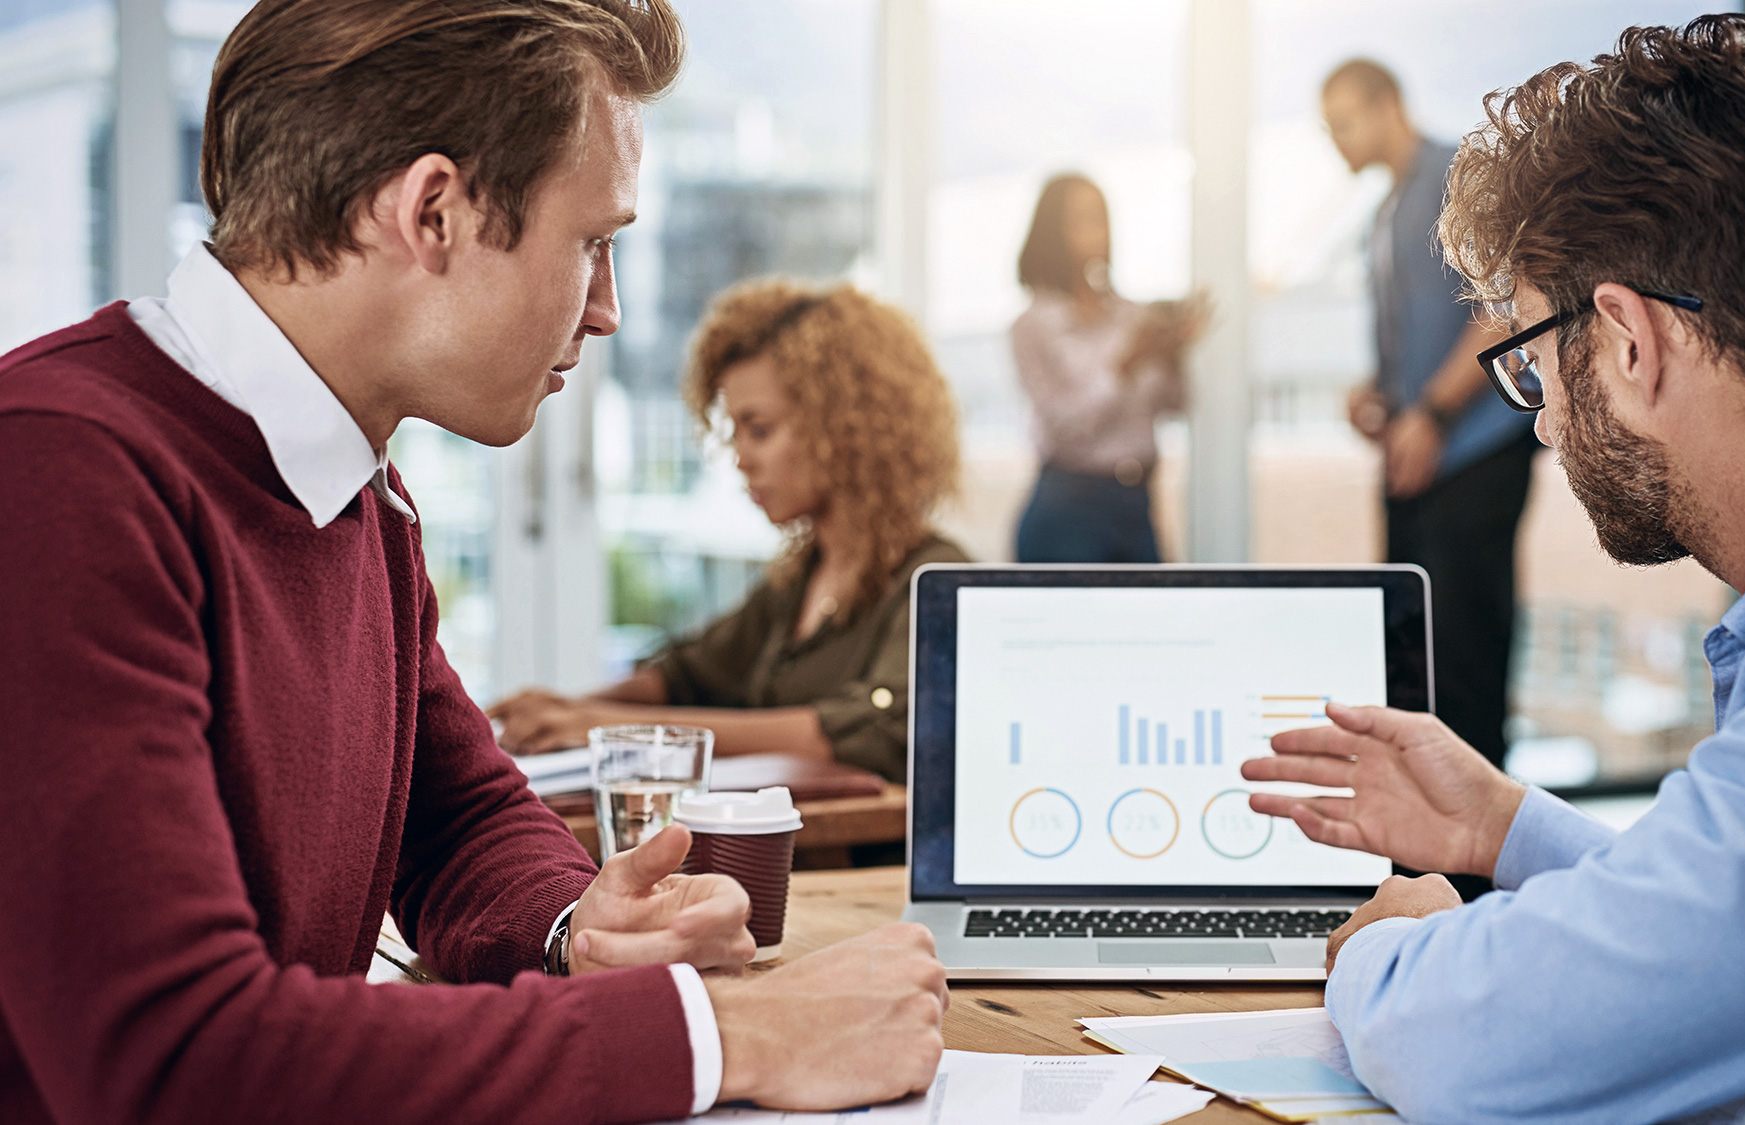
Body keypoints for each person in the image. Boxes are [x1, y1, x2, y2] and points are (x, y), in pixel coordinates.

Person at [0, 3, 948, 1121]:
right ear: (434, 211)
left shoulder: (356, 493)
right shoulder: (60, 471)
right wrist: (721, 1036)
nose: (606, 311)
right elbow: (171, 1059)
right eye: (593, 241)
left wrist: (579, 927)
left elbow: (455, 821)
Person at [1245, 16, 1745, 1122]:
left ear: (1629, 341)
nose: (1544, 425)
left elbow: (1472, 1050)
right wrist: (1504, 829)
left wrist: (1393, 950)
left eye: (1533, 367)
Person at [488, 279, 970, 782]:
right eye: (734, 432)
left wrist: (600, 725)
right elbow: (688, 673)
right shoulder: (802, 580)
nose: (741, 459)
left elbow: (864, 732)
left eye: (759, 429)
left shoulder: (935, 580)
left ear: (845, 428)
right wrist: (563, 712)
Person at [1323, 59, 1536, 771]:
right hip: (1418, 466)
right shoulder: (1385, 210)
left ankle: (1479, 876)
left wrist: (1435, 416)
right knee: (1411, 667)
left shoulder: (1457, 176)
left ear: (1389, 106)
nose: (1336, 142)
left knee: (1465, 670)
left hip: (1470, 458)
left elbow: (1503, 307)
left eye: (1343, 123)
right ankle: (1420, 858)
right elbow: (1419, 337)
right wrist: (1379, 393)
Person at [1010, 173, 1208, 563]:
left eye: (1102, 218)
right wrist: (1125, 365)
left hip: (1137, 505)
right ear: (1052, 231)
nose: (1098, 232)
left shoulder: (1132, 316)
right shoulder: (1033, 326)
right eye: (1083, 219)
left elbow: (1175, 404)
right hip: (1069, 508)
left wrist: (1171, 355)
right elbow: (1066, 427)